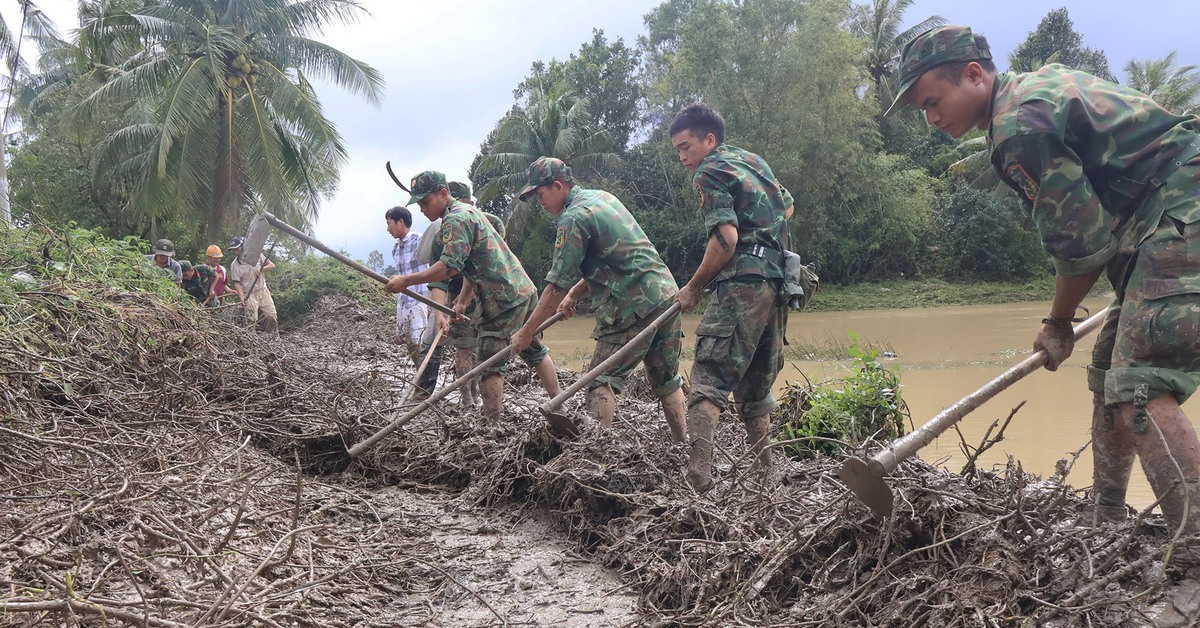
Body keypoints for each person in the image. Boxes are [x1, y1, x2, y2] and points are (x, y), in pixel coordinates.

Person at [886, 25, 1200, 532]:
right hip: (1155, 224)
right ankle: (1106, 518)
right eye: (924, 110)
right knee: (1109, 376)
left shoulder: (1019, 127)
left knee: (1139, 383)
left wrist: (1057, 323)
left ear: (972, 75)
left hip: (1182, 212)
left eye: (932, 101)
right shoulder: (1034, 89)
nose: (932, 119)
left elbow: (1081, 245)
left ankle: (1193, 549)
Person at [511, 157, 687, 441]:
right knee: (668, 381)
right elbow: (612, 259)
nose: (539, 203)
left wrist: (527, 332)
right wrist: (574, 294)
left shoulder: (572, 218)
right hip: (665, 294)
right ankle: (682, 446)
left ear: (558, 186)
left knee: (599, 382)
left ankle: (592, 455)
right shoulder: (603, 198)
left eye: (540, 195)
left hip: (632, 305)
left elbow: (555, 285)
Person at [669, 103, 794, 492]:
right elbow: (787, 205)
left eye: (686, 146)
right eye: (677, 150)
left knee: (707, 378)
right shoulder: (754, 162)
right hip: (777, 284)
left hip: (743, 282)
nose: (683, 157)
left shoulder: (709, 172)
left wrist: (693, 288)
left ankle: (698, 480)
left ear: (710, 139)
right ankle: (765, 478)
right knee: (755, 390)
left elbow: (725, 240)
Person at [386, 170, 561, 423]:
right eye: (419, 203)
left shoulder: (455, 220)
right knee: (533, 348)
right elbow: (471, 266)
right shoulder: (468, 215)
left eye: (426, 202)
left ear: (444, 194)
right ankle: (559, 403)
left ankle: (491, 425)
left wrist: (405, 281)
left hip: (502, 298)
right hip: (522, 289)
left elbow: (449, 267)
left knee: (489, 362)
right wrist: (462, 301)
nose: (422, 209)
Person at [424, 180, 508, 408]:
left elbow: (499, 261)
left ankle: (485, 397)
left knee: (490, 346)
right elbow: (438, 279)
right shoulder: (442, 234)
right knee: (463, 346)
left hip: (491, 296)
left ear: (471, 203)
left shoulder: (492, 223)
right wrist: (441, 313)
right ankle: (467, 398)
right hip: (459, 298)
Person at [387, 206, 440, 398]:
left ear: (400, 222)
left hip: (420, 297)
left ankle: (425, 383)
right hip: (404, 300)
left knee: (419, 340)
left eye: (389, 223)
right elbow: (402, 274)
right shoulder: (395, 248)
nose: (388, 228)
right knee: (409, 341)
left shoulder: (419, 240)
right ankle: (420, 376)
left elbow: (431, 265)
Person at [228, 236, 279, 333]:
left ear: (243, 246)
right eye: (233, 250)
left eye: (237, 249)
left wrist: (261, 269)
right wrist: (242, 297)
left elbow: (272, 265)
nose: (235, 251)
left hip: (262, 290)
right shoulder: (235, 265)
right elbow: (237, 283)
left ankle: (267, 336)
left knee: (273, 318)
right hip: (249, 294)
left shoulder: (257, 255)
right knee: (252, 321)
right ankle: (252, 340)